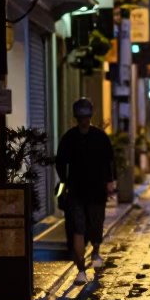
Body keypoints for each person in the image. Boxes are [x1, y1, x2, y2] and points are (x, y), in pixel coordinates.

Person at [55, 98, 116, 285]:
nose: (84, 120)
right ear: (77, 117)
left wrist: (110, 182)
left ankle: (96, 251)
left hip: (96, 191)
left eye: (86, 116)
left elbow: (110, 160)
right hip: (76, 192)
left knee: (96, 225)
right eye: (81, 117)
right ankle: (81, 270)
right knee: (78, 229)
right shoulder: (69, 138)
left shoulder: (99, 137)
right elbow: (60, 163)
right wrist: (64, 184)